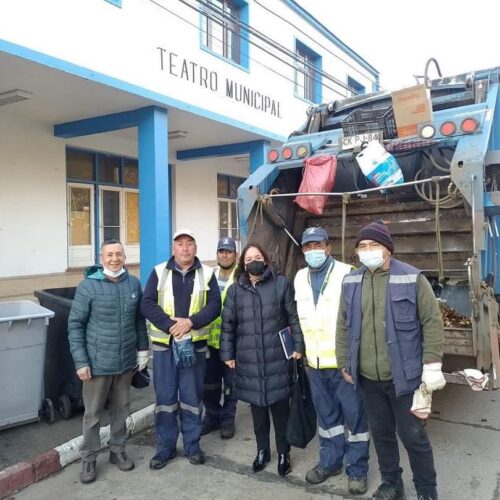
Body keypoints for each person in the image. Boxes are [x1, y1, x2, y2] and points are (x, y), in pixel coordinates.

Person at [336, 221, 446, 500]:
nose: (367, 250)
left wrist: (432, 365)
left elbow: (432, 322)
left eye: (374, 245)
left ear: (388, 249)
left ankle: (426, 491)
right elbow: (342, 324)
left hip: (404, 378)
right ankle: (392, 484)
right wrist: (344, 361)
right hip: (368, 378)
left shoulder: (412, 278)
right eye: (362, 246)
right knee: (382, 435)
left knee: (413, 437)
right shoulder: (351, 281)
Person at [294, 227, 369, 495]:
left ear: (328, 247)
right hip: (314, 365)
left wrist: (352, 359)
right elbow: (300, 319)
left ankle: (357, 470)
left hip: (343, 364)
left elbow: (359, 319)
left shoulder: (348, 273)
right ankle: (330, 462)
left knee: (355, 419)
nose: (313, 251)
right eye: (308, 246)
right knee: (327, 419)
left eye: (318, 245)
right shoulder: (300, 277)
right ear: (303, 250)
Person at [220, 243, 305, 477]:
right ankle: (262, 451)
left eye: (258, 257)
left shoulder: (281, 284)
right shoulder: (236, 290)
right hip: (248, 359)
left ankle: (283, 453)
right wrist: (227, 353)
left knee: (280, 410)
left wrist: (298, 346)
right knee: (257, 411)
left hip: (276, 357)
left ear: (266, 260)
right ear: (243, 264)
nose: (253, 261)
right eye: (249, 259)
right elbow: (228, 325)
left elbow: (293, 318)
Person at [68, 239, 149, 484]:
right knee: (92, 414)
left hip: (125, 363)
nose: (114, 259)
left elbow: (138, 322)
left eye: (118, 254)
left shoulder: (133, 283)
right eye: (109, 255)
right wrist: (81, 361)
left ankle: (117, 450)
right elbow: (75, 325)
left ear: (124, 257)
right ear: (101, 258)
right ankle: (89, 457)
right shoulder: (88, 287)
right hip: (96, 364)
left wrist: (142, 351)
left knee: (121, 409)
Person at [141, 229, 221, 470]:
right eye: (180, 244)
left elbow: (215, 305)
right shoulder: (158, 272)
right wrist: (169, 325)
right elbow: (147, 303)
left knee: (191, 398)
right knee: (165, 399)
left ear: (195, 248)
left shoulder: (207, 274)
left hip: (193, 347)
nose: (185, 248)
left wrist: (190, 322)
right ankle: (165, 448)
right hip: (165, 347)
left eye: (189, 244)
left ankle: (192, 445)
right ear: (173, 249)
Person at [201, 237, 239, 439]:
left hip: (232, 343)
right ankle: (212, 417)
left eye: (229, 251)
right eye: (221, 251)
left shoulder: (240, 277)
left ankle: (227, 420)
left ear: (236, 255)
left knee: (231, 385)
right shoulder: (209, 276)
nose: (225, 255)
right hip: (210, 341)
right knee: (210, 383)